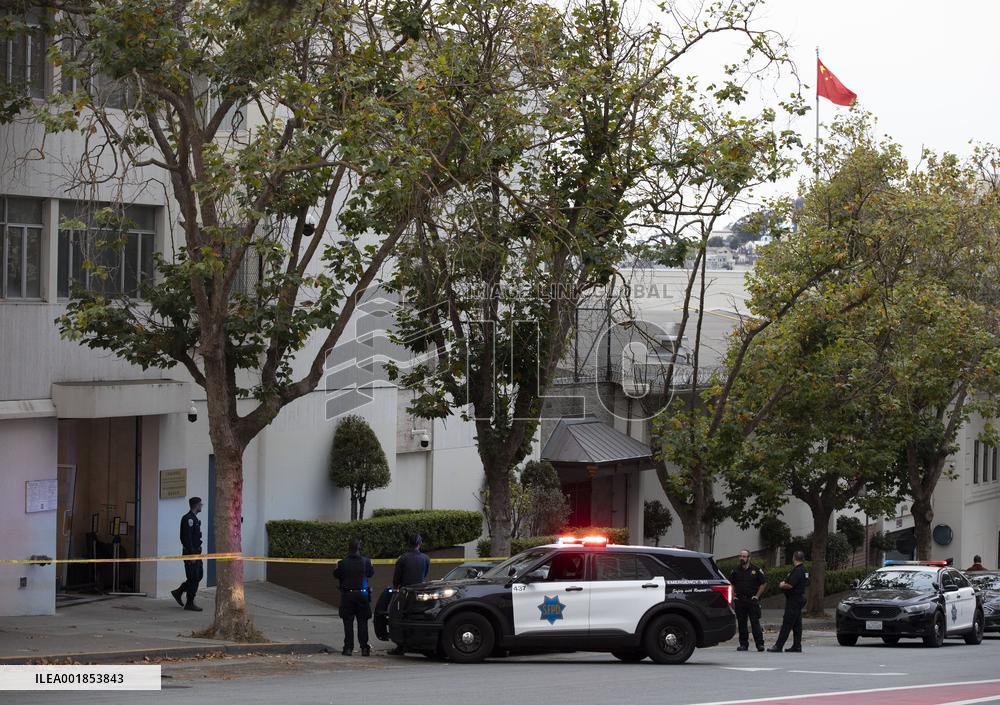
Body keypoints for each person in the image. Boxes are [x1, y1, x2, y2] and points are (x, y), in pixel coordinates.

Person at [386, 534, 431, 655]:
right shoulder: (426, 558)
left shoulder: (403, 558)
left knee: (400, 618)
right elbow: (425, 574)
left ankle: (401, 646)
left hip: (405, 593)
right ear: (420, 544)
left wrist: (396, 587)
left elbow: (397, 578)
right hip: (420, 592)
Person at [333, 538, 375, 656]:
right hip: (362, 595)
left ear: (348, 548)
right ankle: (364, 648)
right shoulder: (366, 561)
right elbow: (371, 574)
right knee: (362, 622)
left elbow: (336, 575)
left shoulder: (342, 563)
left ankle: (348, 648)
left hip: (347, 595)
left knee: (348, 622)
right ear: (359, 548)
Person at [767, 550, 808, 653]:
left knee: (787, 623)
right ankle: (797, 646)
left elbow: (790, 584)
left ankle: (778, 646)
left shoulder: (798, 570)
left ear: (794, 558)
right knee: (797, 624)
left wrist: (782, 585)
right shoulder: (804, 570)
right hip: (799, 598)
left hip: (794, 600)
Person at [729, 549, 766, 652]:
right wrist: (733, 596)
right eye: (741, 556)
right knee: (741, 624)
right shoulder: (735, 570)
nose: (742, 558)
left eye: (744, 556)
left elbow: (763, 583)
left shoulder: (756, 570)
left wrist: (757, 596)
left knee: (755, 623)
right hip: (740, 601)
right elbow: (730, 584)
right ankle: (743, 645)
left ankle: (760, 644)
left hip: (752, 601)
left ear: (749, 558)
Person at [171, 497, 203, 612]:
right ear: (196, 505)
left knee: (199, 575)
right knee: (194, 577)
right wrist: (192, 555)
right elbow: (186, 538)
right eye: (201, 504)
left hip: (197, 553)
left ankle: (179, 591)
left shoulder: (194, 519)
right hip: (191, 553)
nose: (202, 506)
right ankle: (190, 602)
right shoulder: (188, 519)